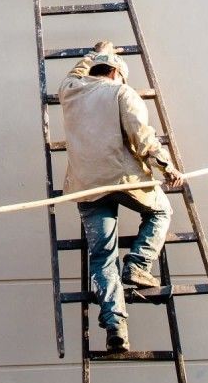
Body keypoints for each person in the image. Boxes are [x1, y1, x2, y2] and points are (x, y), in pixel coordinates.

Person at [58, 41, 183, 353]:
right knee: (160, 212)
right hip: (123, 178)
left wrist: (95, 52)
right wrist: (166, 167)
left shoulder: (70, 89)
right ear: (116, 73)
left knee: (101, 256)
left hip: (86, 185)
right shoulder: (121, 93)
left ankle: (115, 323)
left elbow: (77, 71)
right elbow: (143, 138)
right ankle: (138, 265)